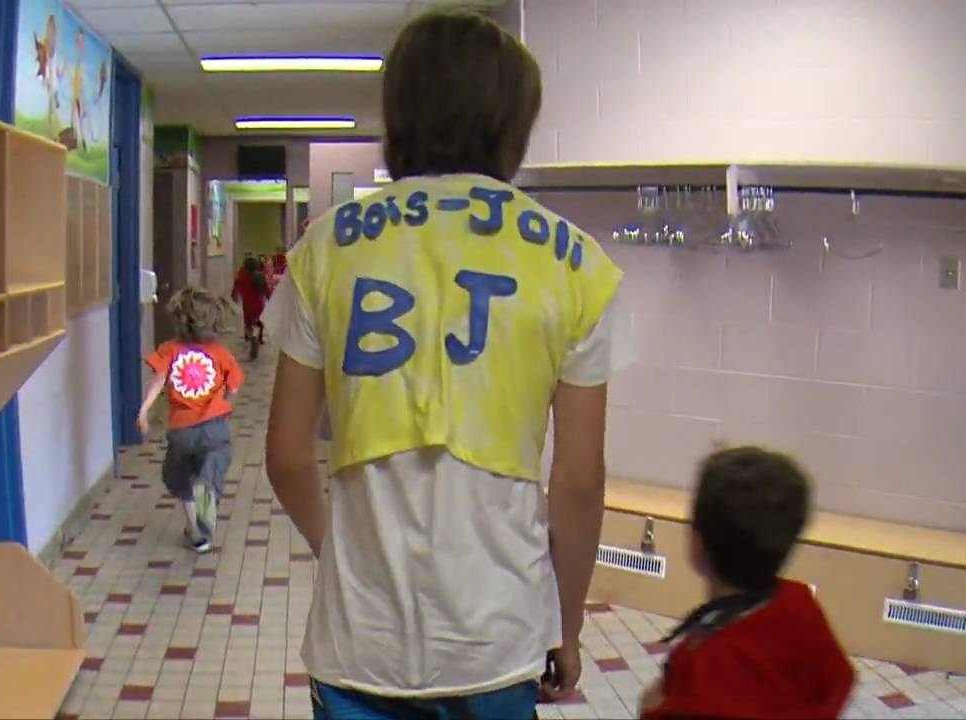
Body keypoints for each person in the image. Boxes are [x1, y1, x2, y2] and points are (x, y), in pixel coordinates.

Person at [262, 9, 625, 719]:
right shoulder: (578, 264)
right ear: (513, 124)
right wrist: (568, 626)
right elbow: (578, 483)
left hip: (358, 637)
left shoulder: (324, 250)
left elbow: (285, 455)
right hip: (497, 635)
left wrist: (335, 549)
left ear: (399, 113)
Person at [639, 447, 854, 720]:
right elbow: (839, 679)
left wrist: (650, 711)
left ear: (698, 545)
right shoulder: (799, 602)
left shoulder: (706, 664)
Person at [138, 287, 243, 553]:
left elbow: (159, 380)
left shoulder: (170, 349)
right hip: (214, 428)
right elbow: (234, 388)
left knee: (180, 476)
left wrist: (144, 410)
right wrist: (223, 409)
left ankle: (196, 533)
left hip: (182, 430)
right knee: (211, 469)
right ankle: (206, 493)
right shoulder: (221, 353)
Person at [232, 256, 269, 359]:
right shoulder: (260, 277)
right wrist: (269, 299)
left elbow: (234, 293)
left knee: (248, 325)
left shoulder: (240, 277)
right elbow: (267, 292)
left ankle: (252, 338)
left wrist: (235, 298)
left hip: (247, 306)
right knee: (258, 323)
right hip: (259, 305)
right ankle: (257, 337)